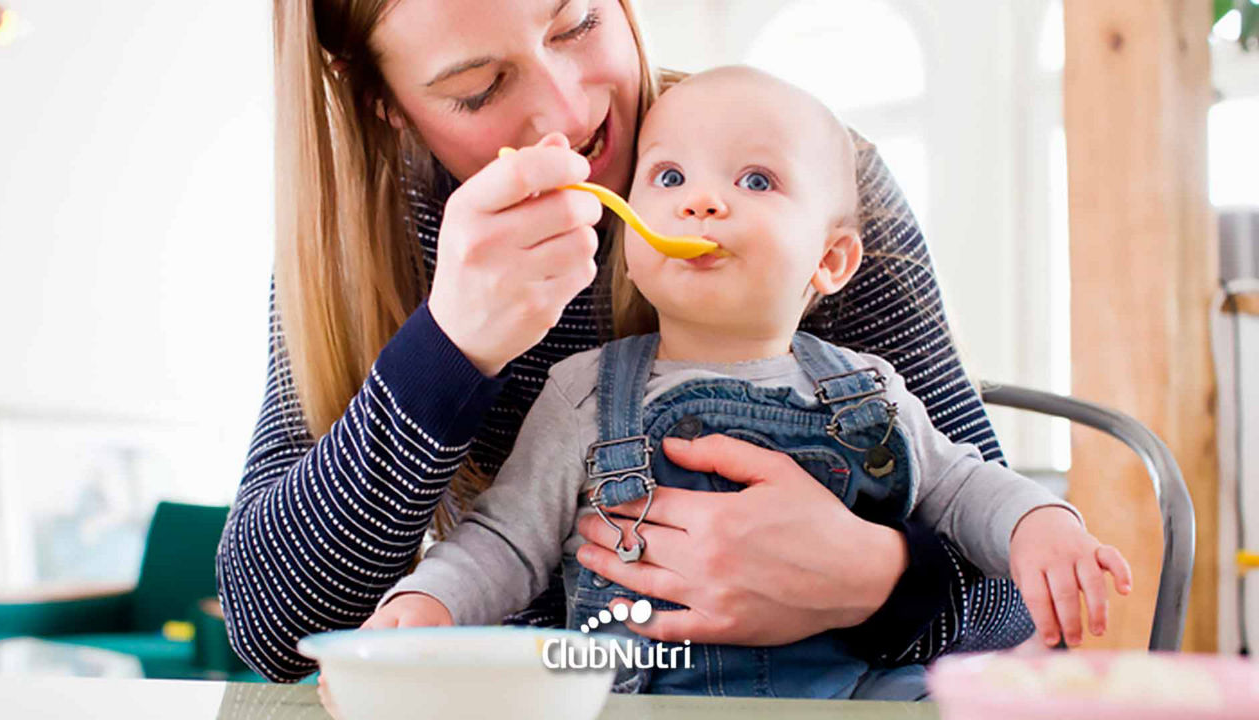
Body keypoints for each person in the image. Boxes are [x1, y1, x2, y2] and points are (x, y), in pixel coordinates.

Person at [217, 0, 1052, 684]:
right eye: (477, 88)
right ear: (384, 103)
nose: (569, 112)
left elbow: (1018, 606)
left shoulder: (807, 184)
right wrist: (448, 351)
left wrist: (882, 582)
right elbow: (273, 626)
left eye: (578, 23)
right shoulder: (366, 242)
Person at [361, 66, 1134, 700]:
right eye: (669, 176)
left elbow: (968, 488)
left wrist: (1041, 527)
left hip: (852, 696)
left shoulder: (871, 390)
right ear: (628, 233)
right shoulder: (584, 394)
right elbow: (505, 542)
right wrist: (429, 603)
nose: (701, 200)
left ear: (829, 262)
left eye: (756, 180)